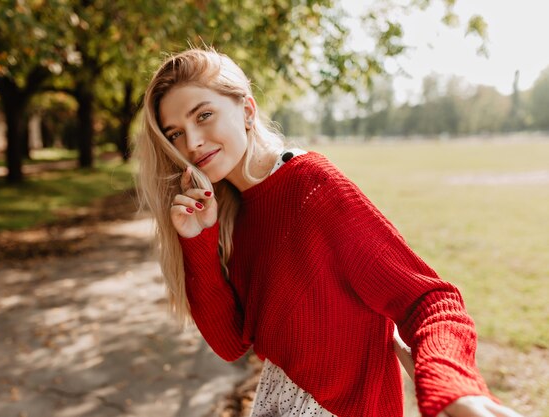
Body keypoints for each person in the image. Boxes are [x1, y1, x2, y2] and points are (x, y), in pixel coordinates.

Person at [135, 48, 522, 417]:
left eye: (203, 116)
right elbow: (231, 342)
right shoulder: (233, 208)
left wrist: (453, 386)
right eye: (175, 134)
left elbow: (429, 300)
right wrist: (197, 242)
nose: (192, 142)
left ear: (247, 110)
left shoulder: (312, 187)